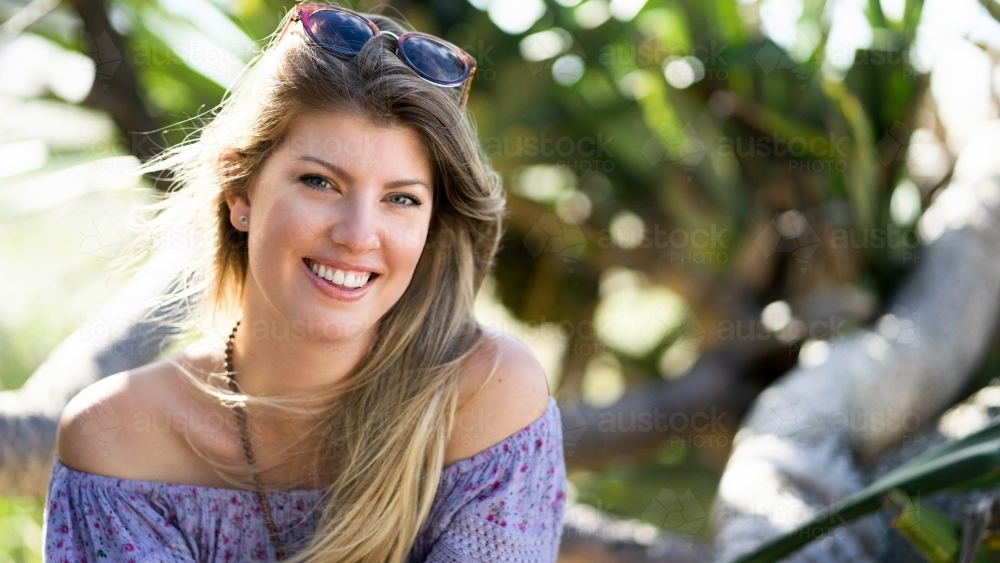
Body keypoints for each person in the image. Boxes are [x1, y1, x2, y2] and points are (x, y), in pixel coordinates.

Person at [42, 3, 566, 562]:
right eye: (320, 182)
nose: (358, 235)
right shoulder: (119, 443)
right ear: (240, 193)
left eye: (401, 199)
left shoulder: (486, 400)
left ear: (431, 225)